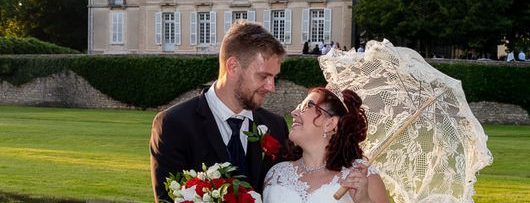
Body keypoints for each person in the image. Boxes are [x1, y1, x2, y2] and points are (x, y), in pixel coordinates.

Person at [149, 21, 289, 203]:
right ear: (232, 67)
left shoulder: (276, 126)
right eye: (263, 76)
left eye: (274, 78)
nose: (271, 87)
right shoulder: (174, 124)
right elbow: (167, 199)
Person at [263, 87, 389, 203]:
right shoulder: (277, 173)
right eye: (298, 106)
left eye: (307, 106)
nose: (294, 112)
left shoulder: (361, 177)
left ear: (330, 124)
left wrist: (364, 201)